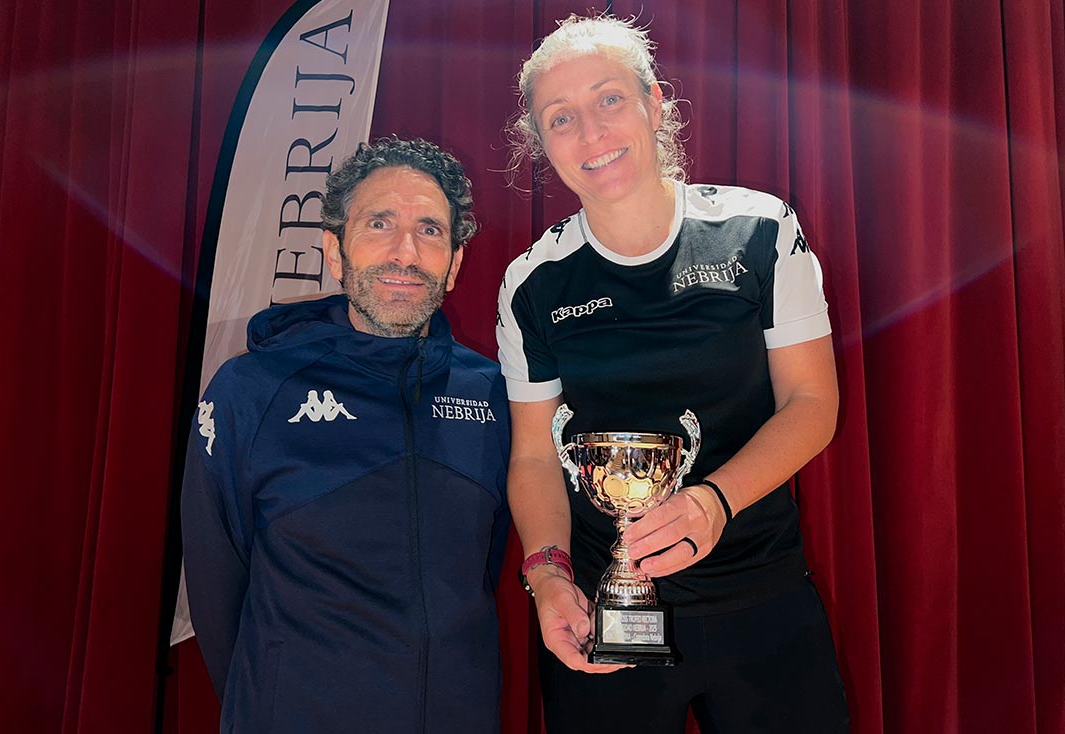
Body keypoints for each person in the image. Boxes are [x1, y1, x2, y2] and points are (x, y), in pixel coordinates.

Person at [496, 15, 849, 733]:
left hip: (762, 597)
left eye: (610, 99)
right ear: (541, 143)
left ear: (655, 103)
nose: (591, 132)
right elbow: (534, 455)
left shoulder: (762, 230)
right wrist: (548, 576)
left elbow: (813, 403)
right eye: (561, 117)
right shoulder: (530, 283)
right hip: (604, 614)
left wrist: (715, 502)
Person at [182, 137, 511, 733]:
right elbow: (215, 582)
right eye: (379, 224)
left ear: (456, 262)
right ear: (334, 250)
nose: (405, 252)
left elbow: (483, 569)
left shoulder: (492, 393)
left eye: (430, 230)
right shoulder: (250, 390)